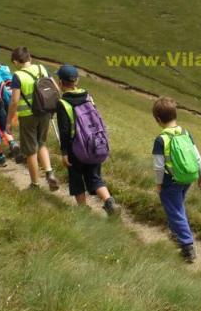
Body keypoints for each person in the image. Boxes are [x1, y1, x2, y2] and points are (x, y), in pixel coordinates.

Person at [54, 64, 119, 215]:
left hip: (75, 148)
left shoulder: (63, 103)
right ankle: (109, 202)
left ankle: (83, 210)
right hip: (94, 145)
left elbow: (64, 131)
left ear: (60, 82)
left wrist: (64, 153)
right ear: (76, 81)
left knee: (76, 179)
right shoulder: (88, 96)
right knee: (95, 177)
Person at [151, 96, 201, 262]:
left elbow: (159, 166)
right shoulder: (186, 133)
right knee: (178, 207)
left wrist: (159, 184)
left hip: (171, 181)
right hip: (188, 178)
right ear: (176, 115)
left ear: (158, 119)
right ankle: (178, 234)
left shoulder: (161, 139)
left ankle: (187, 245)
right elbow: (196, 156)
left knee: (175, 212)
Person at [7, 46, 60, 192]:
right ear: (29, 58)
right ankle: (49, 172)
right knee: (41, 143)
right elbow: (56, 89)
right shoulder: (42, 69)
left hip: (28, 116)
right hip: (45, 112)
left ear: (16, 62)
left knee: (30, 150)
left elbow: (15, 101)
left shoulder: (17, 76)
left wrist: (9, 120)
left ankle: (35, 184)